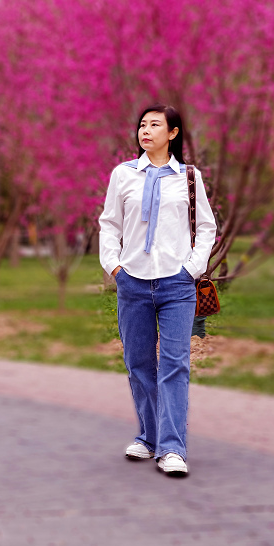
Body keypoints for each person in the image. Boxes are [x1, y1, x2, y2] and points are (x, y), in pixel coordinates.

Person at [98, 104, 216, 477]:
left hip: (176, 285)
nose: (145, 130)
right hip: (132, 282)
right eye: (142, 125)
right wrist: (114, 266)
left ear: (174, 133)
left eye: (155, 125)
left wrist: (191, 269)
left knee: (175, 365)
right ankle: (148, 437)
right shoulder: (124, 174)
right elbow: (109, 223)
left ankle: (171, 448)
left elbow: (207, 228)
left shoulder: (189, 178)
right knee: (138, 364)